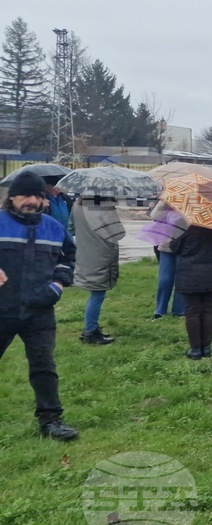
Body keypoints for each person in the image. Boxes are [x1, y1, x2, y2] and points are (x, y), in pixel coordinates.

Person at [0, 171, 78, 440]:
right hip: (2, 308)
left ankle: (51, 421)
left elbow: (68, 256)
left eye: (38, 196)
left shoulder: (53, 227)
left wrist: (58, 284)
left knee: (44, 366)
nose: (32, 201)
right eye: (26, 196)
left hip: (39, 310)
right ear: (12, 197)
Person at [72, 196, 124, 345]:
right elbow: (118, 233)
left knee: (96, 293)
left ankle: (91, 328)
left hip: (85, 253)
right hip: (102, 255)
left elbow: (71, 226)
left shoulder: (78, 204)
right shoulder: (105, 207)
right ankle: (90, 331)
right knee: (97, 294)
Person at [172, 225, 212, 359]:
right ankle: (206, 348)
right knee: (208, 309)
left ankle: (195, 349)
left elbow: (174, 247)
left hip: (189, 274)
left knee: (192, 310)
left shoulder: (186, 228)